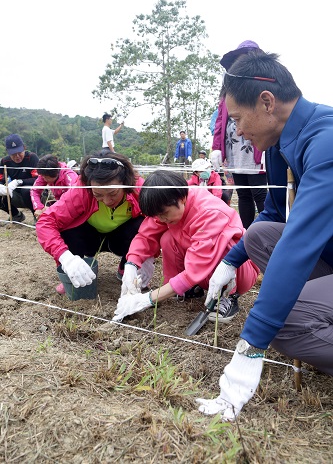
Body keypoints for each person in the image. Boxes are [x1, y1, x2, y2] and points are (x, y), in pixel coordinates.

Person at [196, 50, 333, 423]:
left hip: (320, 251)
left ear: (267, 102)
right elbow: (273, 216)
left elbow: (300, 241)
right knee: (258, 234)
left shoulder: (326, 141)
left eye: (238, 118)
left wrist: (251, 343)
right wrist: (230, 261)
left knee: (284, 324)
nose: (237, 130)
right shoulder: (279, 144)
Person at [112, 170, 259, 322]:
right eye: (156, 215)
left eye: (164, 213)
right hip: (202, 273)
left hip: (238, 272)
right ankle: (185, 289)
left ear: (182, 199)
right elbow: (146, 236)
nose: (161, 219)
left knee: (223, 244)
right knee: (168, 238)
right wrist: (131, 265)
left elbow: (196, 267)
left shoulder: (208, 213)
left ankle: (226, 296)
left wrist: (147, 299)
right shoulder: (167, 207)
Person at [35, 152, 146, 294]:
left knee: (143, 224)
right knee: (66, 229)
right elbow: (46, 221)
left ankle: (126, 267)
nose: (106, 201)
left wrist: (141, 259)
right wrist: (65, 257)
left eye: (113, 193)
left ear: (125, 183)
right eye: (98, 195)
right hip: (89, 238)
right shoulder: (81, 190)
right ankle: (73, 271)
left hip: (122, 238)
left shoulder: (139, 189)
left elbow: (157, 221)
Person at [210, 41, 267, 229]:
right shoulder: (227, 90)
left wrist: (268, 145)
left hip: (256, 146)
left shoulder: (262, 85)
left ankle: (266, 232)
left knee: (259, 193)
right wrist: (217, 148)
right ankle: (246, 233)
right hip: (234, 147)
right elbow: (220, 121)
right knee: (243, 193)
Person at [0, 133, 39, 222]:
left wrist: (20, 181)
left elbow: (38, 180)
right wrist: (1, 186)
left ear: (24, 148)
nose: (17, 156)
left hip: (35, 193)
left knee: (26, 190)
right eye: (13, 154)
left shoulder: (31, 157)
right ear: (8, 151)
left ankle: (36, 216)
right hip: (16, 193)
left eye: (19, 152)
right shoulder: (4, 161)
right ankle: (16, 215)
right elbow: (1, 179)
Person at [30, 155, 79, 220]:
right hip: (60, 204)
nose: (43, 179)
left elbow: (74, 198)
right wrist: (38, 208)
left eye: (46, 177)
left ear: (55, 174)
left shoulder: (69, 176)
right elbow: (34, 190)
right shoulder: (46, 173)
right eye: (42, 176)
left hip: (73, 207)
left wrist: (53, 209)